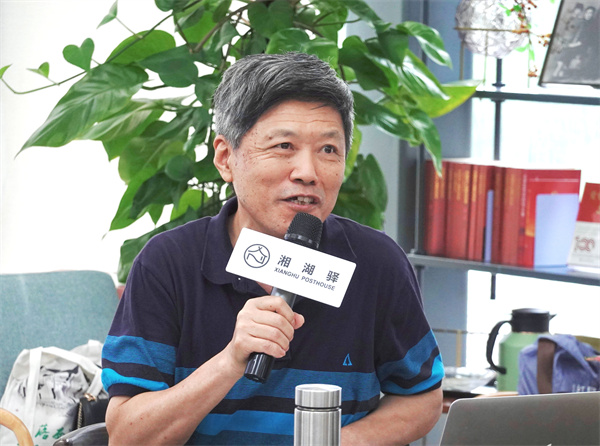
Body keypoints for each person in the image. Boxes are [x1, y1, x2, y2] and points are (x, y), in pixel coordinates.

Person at [101, 52, 444, 445]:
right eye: (284, 145)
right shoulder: (168, 263)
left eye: (328, 150)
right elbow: (127, 436)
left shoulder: (376, 263)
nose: (308, 173)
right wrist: (230, 361)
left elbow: (421, 397)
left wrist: (339, 443)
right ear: (226, 159)